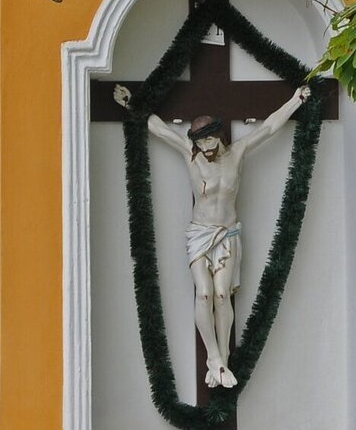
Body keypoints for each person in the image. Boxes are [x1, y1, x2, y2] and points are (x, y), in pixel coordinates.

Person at [113, 83, 311, 388]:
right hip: (200, 234)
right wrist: (131, 103)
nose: (205, 148)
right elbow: (160, 129)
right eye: (199, 142)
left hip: (227, 233)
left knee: (221, 295)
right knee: (204, 294)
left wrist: (296, 100)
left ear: (218, 136)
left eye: (208, 140)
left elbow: (269, 127)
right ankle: (214, 357)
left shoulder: (237, 153)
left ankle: (223, 360)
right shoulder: (190, 154)